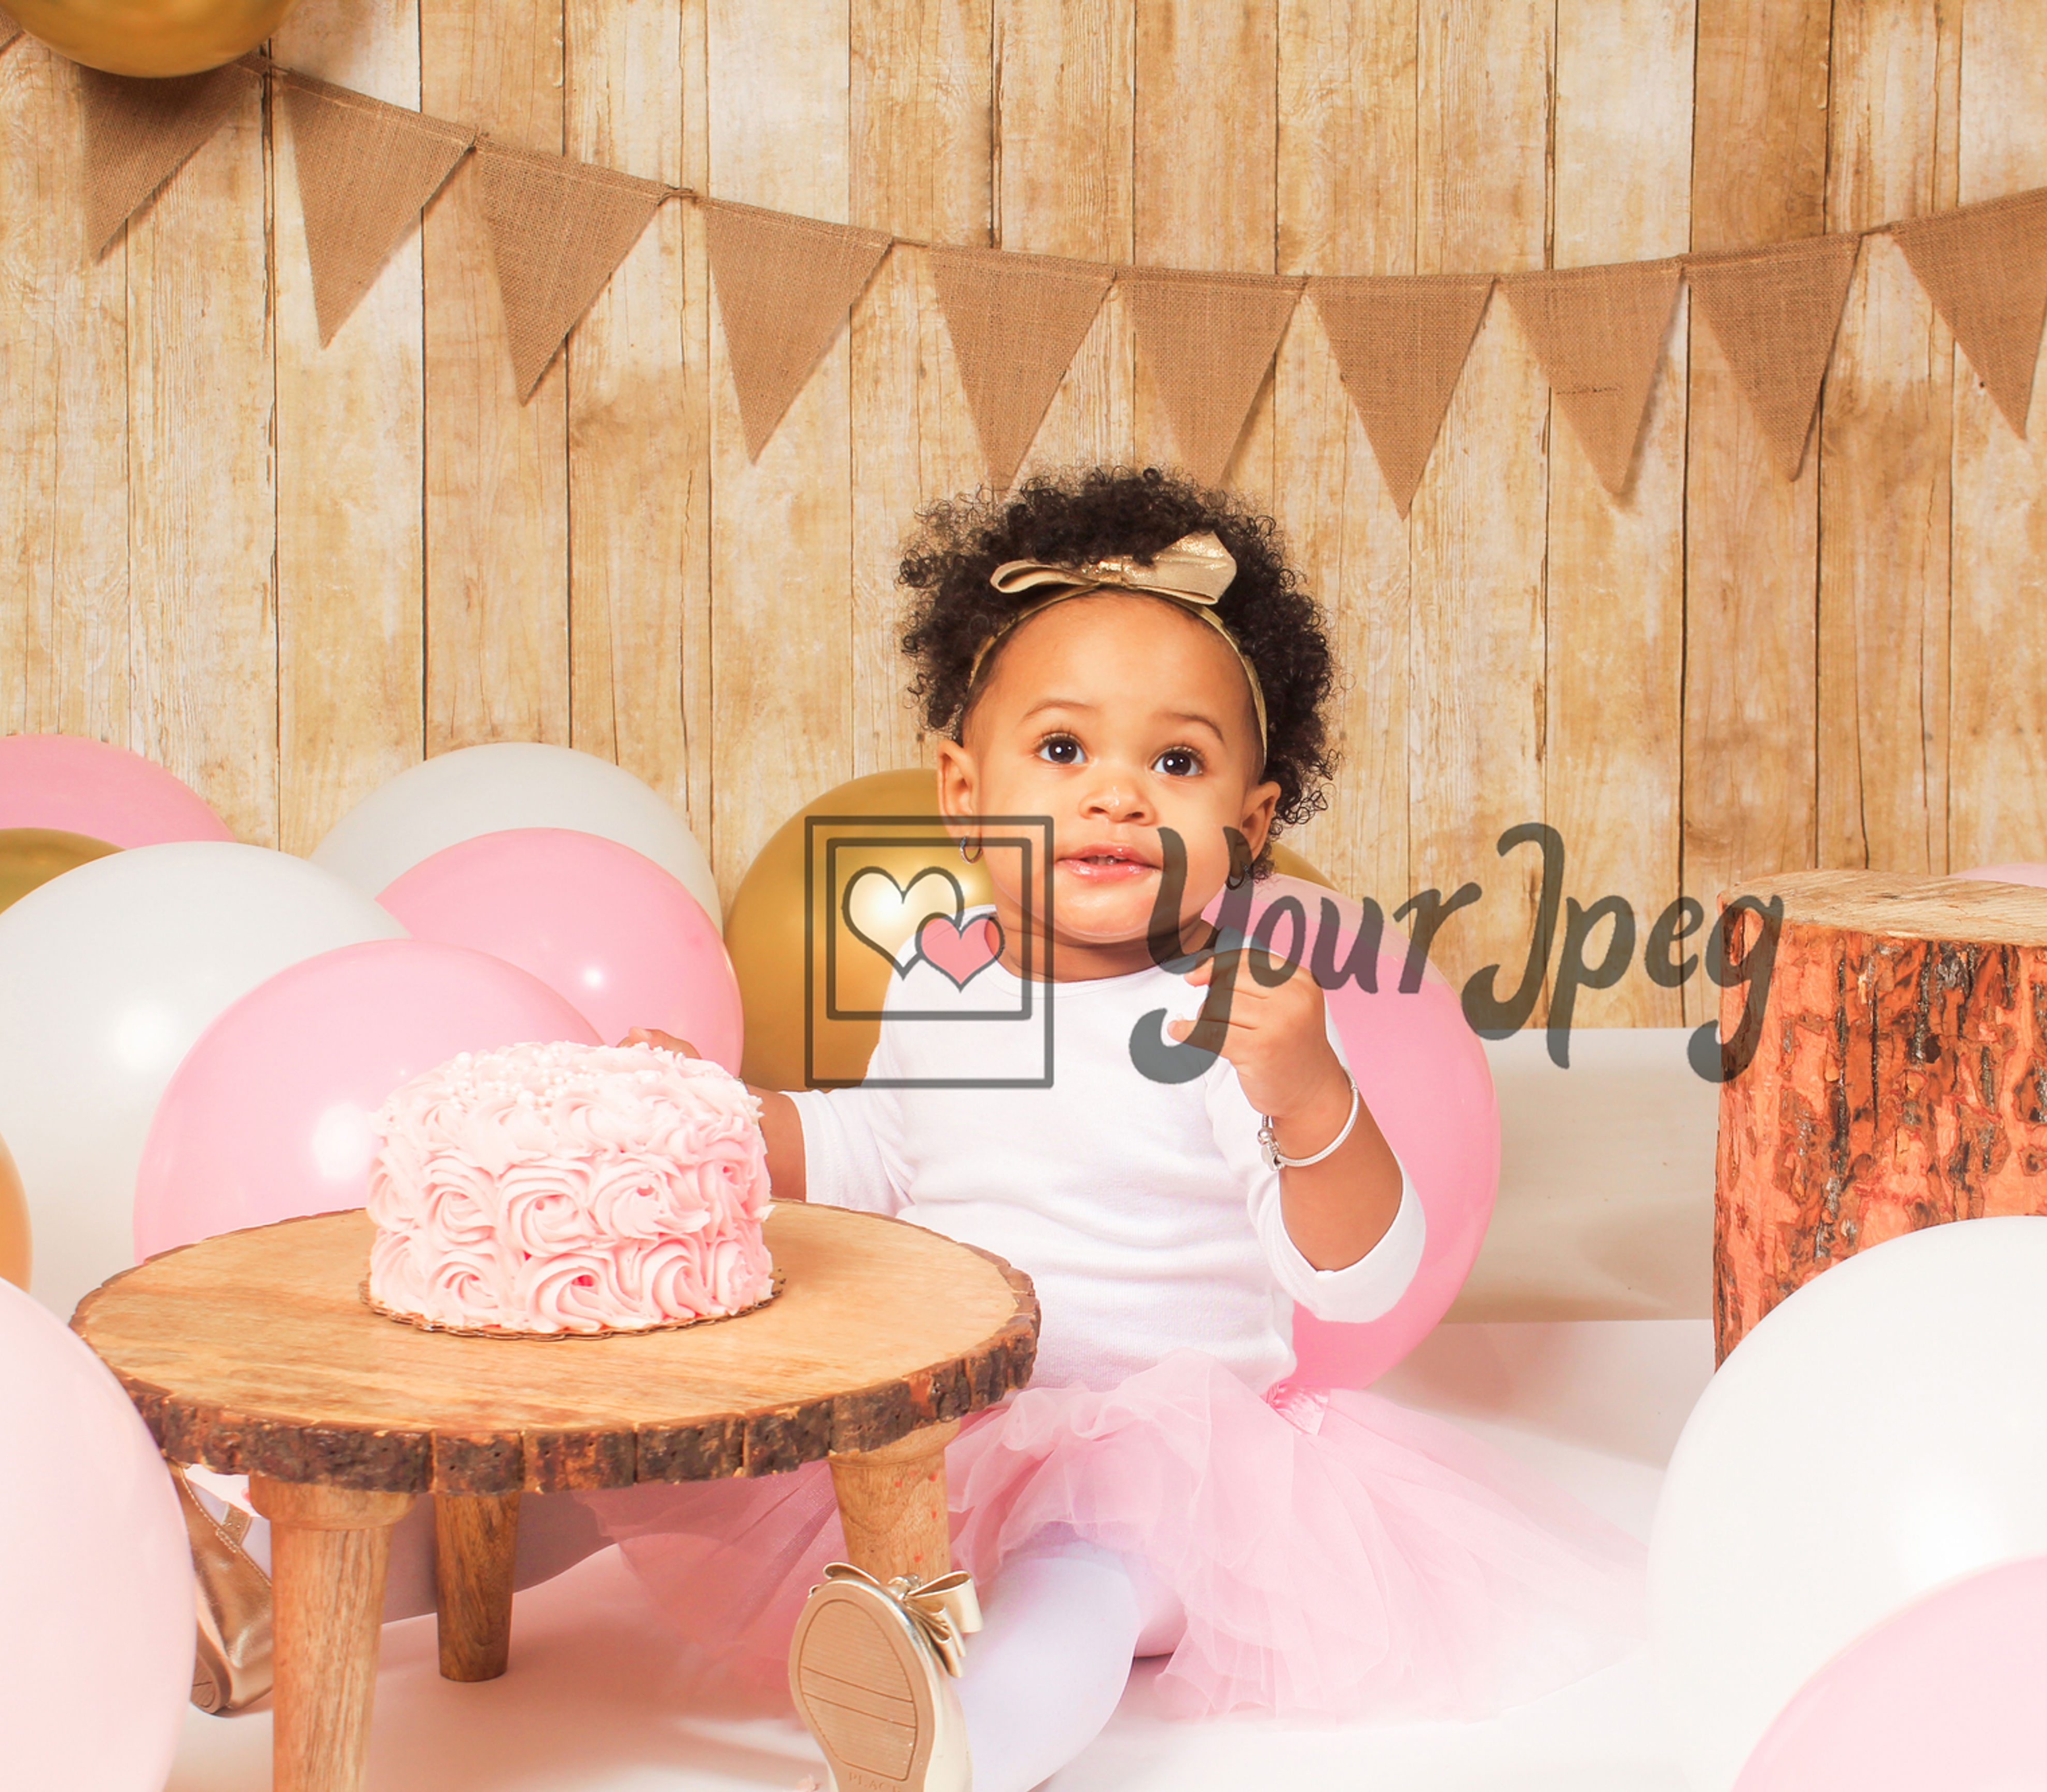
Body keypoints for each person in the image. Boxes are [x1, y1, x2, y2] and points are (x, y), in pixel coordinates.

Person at [601, 466, 1641, 1792]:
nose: (1116, 796)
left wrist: (1312, 1093)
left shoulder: (1223, 1013)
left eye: (1177, 761)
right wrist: (722, 1122)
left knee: (1074, 1589)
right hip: (948, 1426)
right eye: (1062, 749)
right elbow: (889, 1154)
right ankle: (322, 1565)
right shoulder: (942, 978)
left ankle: (948, 1757)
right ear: (962, 790)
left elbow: (1355, 1274)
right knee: (643, 1455)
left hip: (1167, 1465)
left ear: (1250, 826)